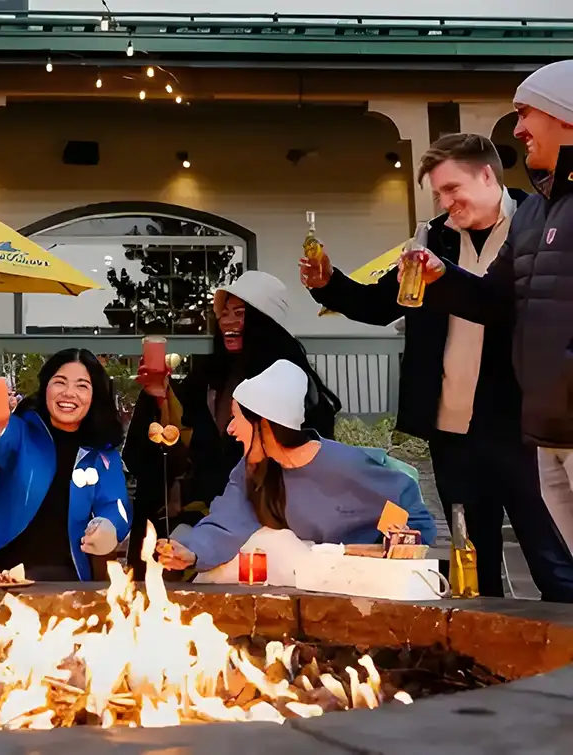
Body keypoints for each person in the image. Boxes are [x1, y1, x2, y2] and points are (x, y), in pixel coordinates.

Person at [302, 133, 573, 602]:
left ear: (487, 175)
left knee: (552, 559)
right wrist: (330, 285)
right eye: (438, 195)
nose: (445, 203)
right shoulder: (433, 237)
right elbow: (381, 303)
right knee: (472, 560)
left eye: (452, 189)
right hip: (451, 431)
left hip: (520, 427)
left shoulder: (538, 219)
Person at [404, 60, 573, 554]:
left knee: (555, 571)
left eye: (525, 113)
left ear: (565, 113)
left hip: (541, 422)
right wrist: (442, 277)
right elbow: (496, 300)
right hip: (547, 429)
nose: (517, 128)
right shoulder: (539, 211)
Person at [124, 270, 341, 577]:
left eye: (240, 313)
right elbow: (172, 445)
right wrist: (158, 399)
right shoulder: (208, 376)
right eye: (224, 313)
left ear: (266, 323)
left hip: (264, 525)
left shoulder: (293, 383)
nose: (227, 322)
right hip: (197, 520)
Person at [155, 360, 436, 574]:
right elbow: (226, 521)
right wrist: (191, 551)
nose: (230, 429)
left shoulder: (345, 466)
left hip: (363, 578)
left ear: (264, 423)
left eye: (236, 418)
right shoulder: (251, 471)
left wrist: (399, 545)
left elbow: (413, 517)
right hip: (301, 581)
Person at [0, 348, 131, 582]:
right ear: (46, 387)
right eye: (60, 382)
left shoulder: (103, 454)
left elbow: (117, 506)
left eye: (82, 386)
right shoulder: (22, 431)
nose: (69, 393)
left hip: (66, 573)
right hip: (1, 568)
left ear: (95, 396)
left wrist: (109, 527)